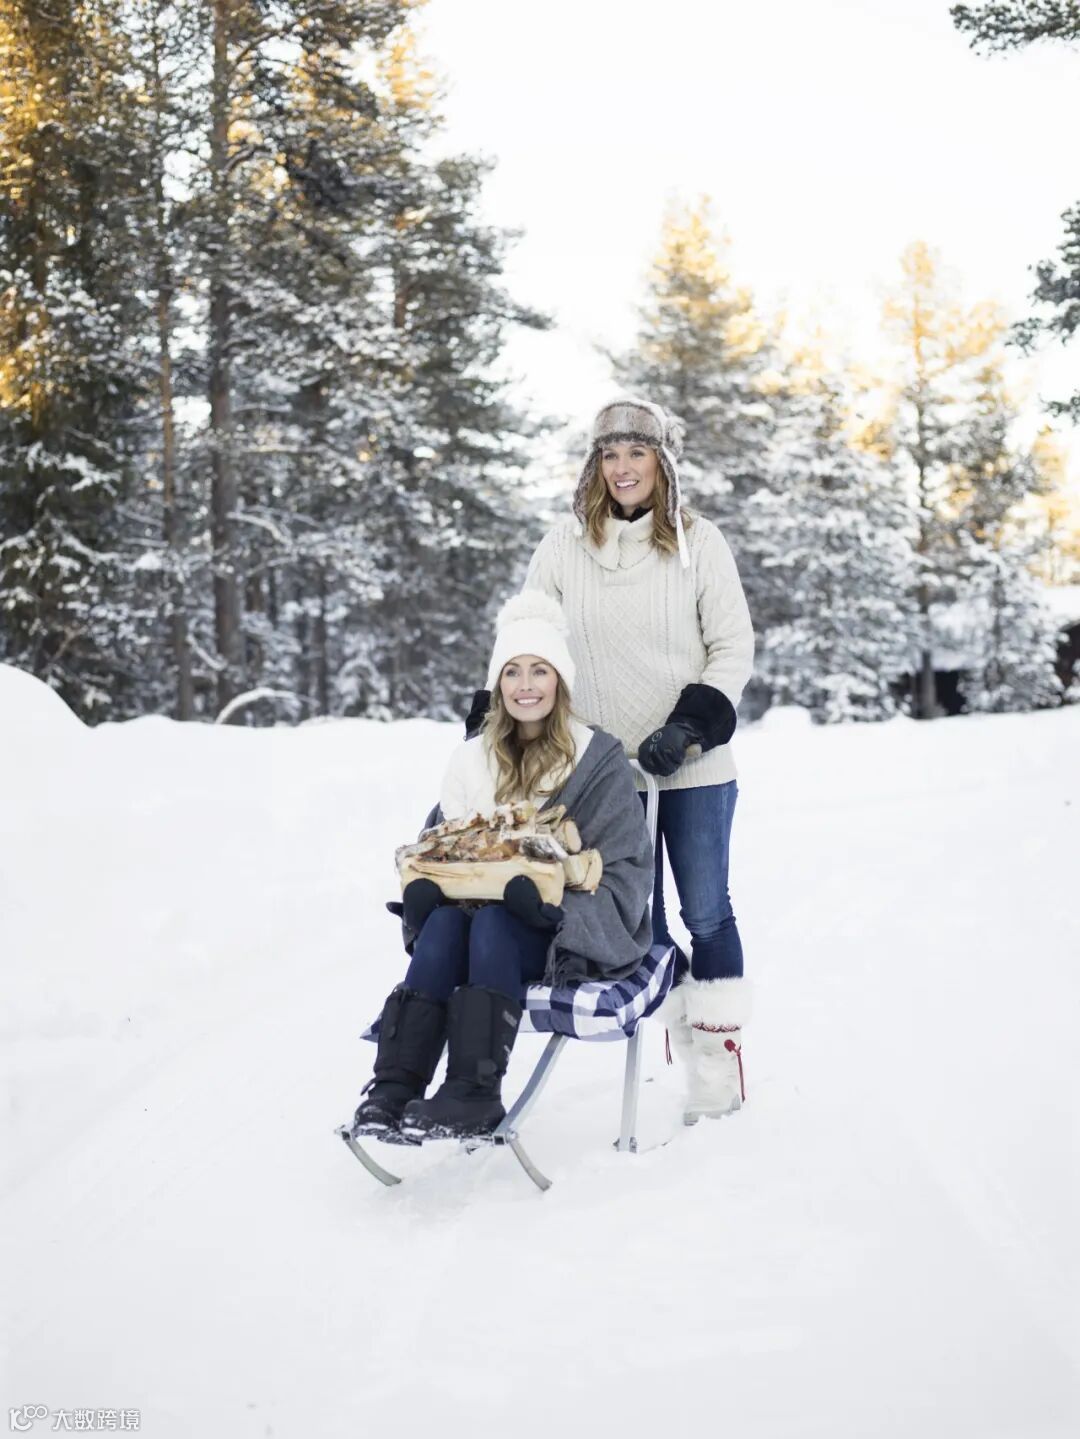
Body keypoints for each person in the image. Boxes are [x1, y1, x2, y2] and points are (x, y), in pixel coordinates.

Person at [479, 397, 756, 1122]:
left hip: (691, 764)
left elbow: (732, 646)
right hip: (603, 774)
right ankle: (682, 1028)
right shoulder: (563, 546)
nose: (623, 467)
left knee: (706, 911)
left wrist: (691, 723)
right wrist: (496, 704)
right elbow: (528, 633)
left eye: (637, 453)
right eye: (610, 455)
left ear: (662, 463)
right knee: (641, 921)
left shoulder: (700, 542)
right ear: (594, 466)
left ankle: (717, 1060)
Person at [352, 590, 654, 1143]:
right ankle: (394, 1087)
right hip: (472, 918)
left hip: (558, 930)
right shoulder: (474, 757)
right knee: (445, 925)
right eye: (512, 671)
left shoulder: (597, 760)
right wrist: (425, 895)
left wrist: (554, 912)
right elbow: (441, 844)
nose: (525, 685)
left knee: (493, 922)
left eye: (540, 670)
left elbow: (626, 871)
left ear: (560, 681)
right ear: (497, 684)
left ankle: (474, 1093)